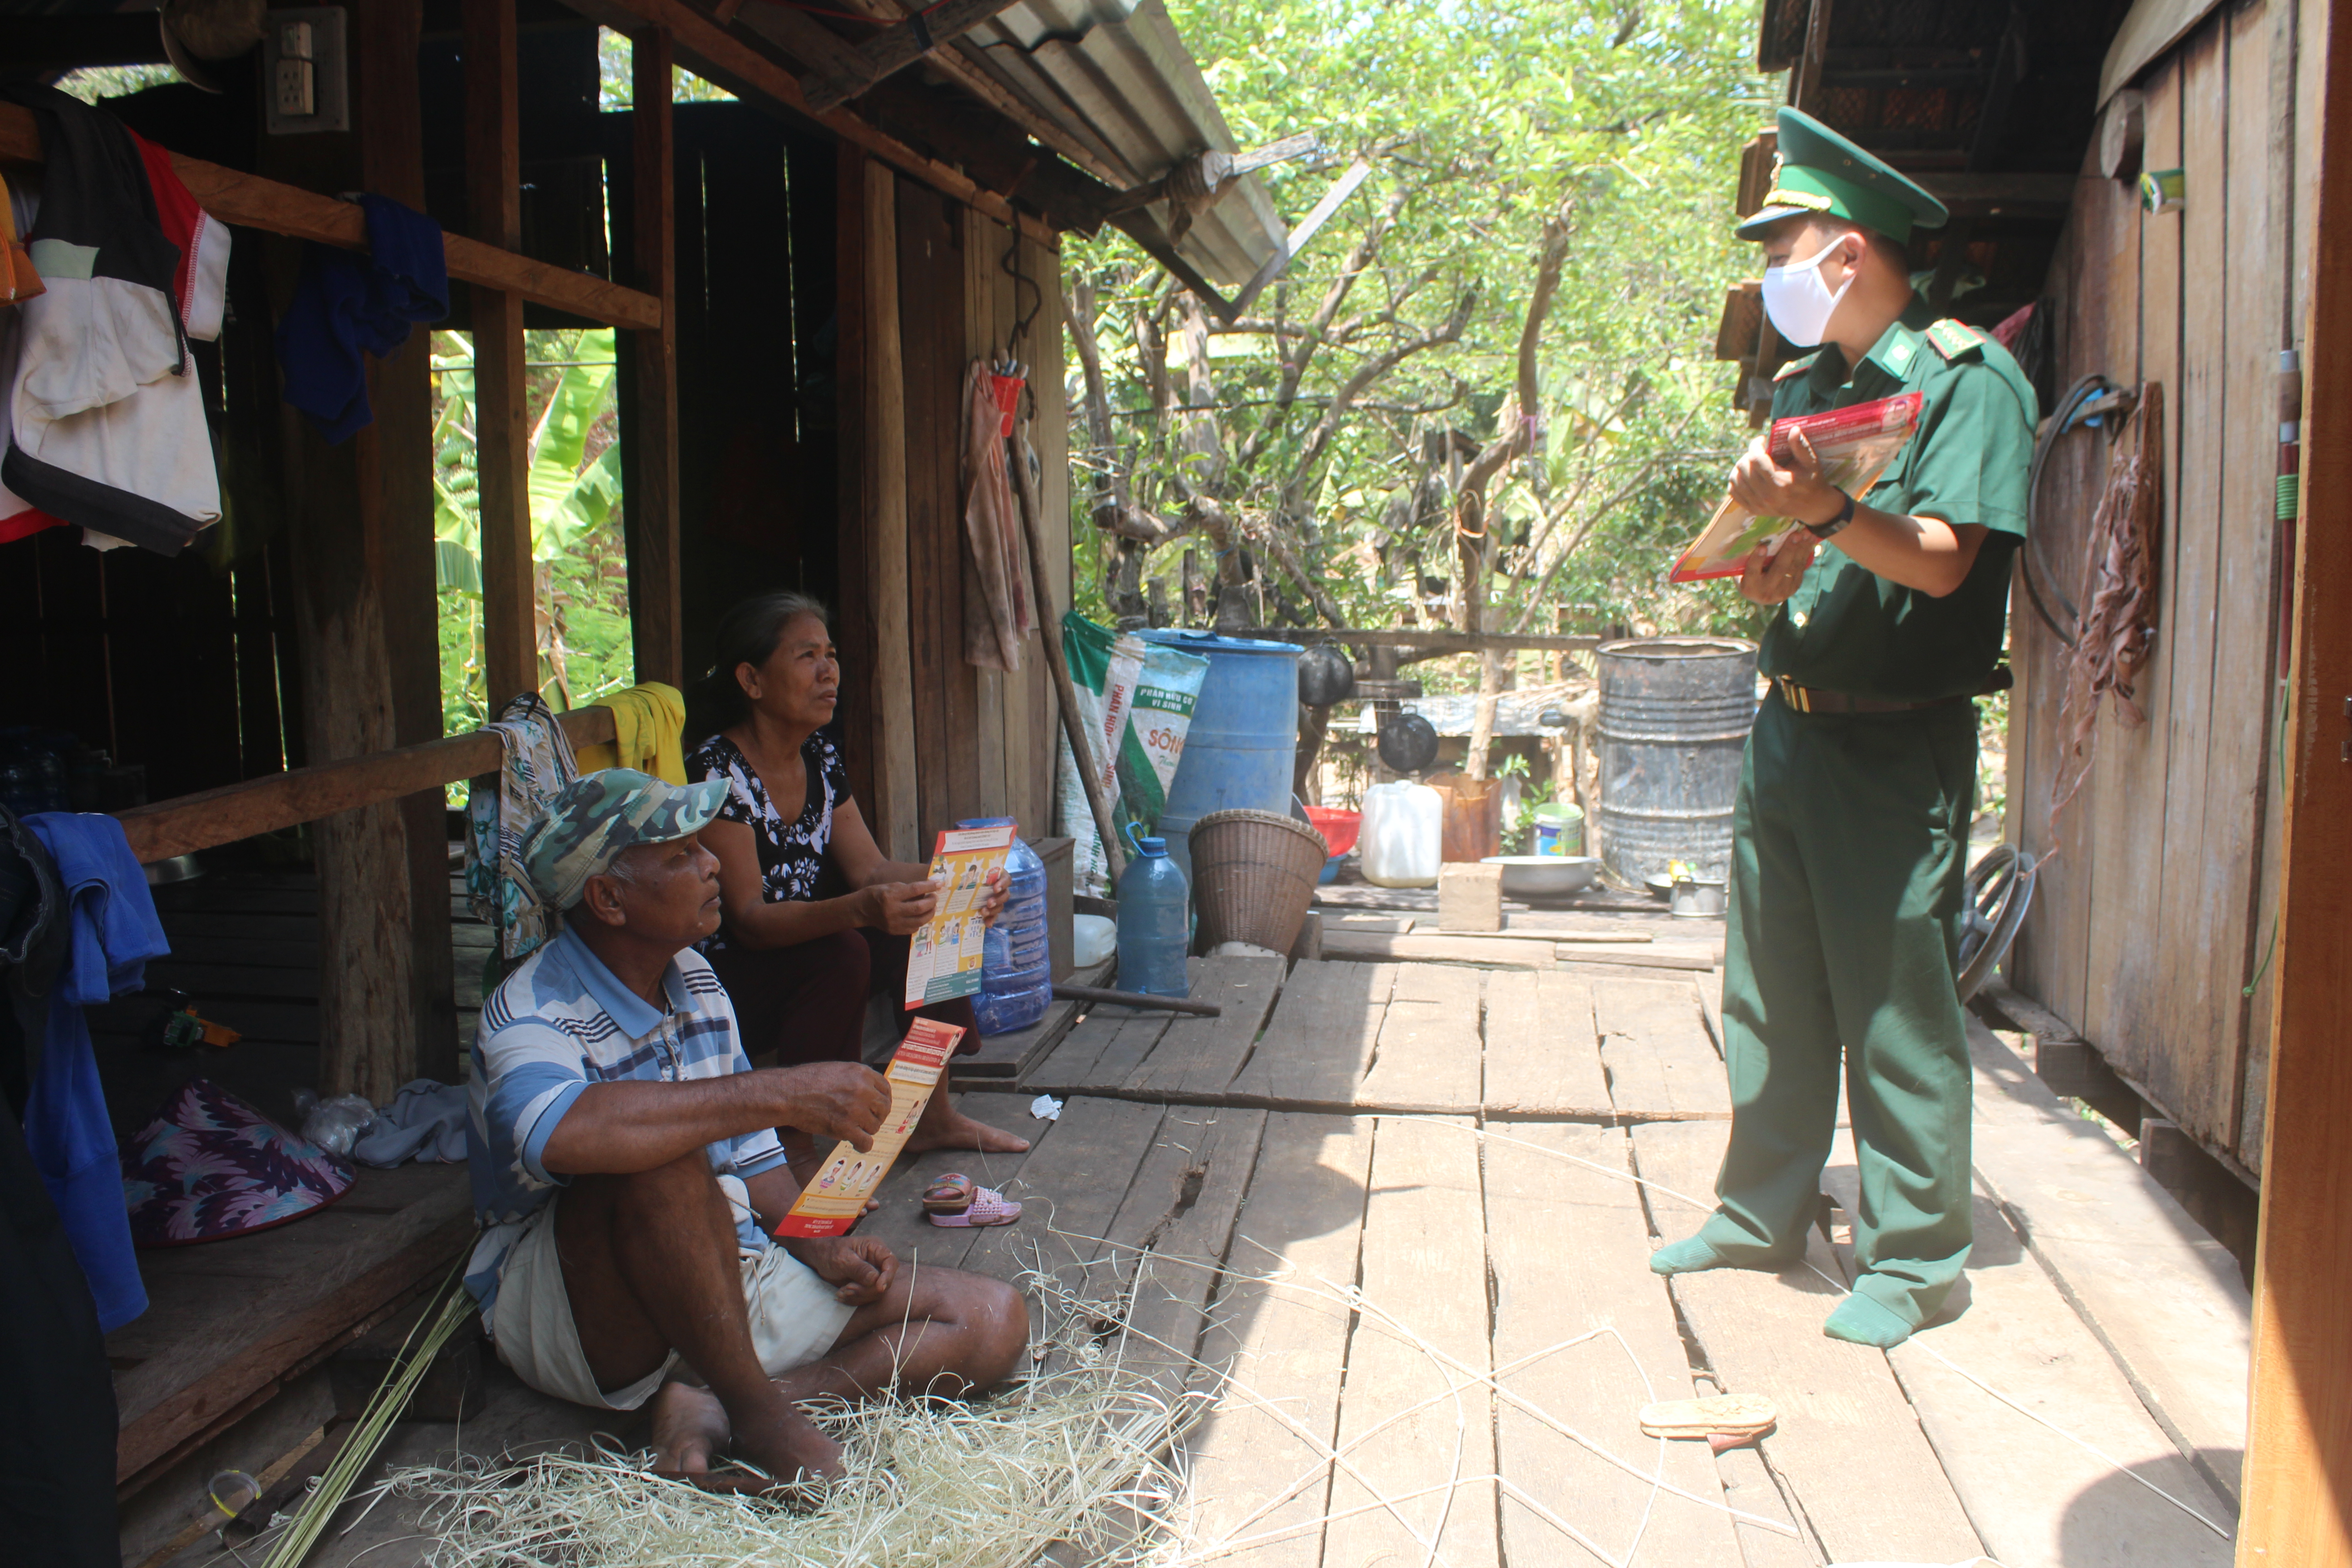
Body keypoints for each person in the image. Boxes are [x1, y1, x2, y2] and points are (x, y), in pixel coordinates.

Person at [1648, 108, 2037, 1350]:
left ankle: (1918, 1262)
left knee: (1893, 1006)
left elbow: (1935, 564)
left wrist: (1817, 511)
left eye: (1788, 246)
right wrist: (1762, 558)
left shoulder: (1969, 383)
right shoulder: (1814, 389)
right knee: (1771, 990)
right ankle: (1761, 1211)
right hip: (1794, 725)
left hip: (1894, 740)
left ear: (1852, 252)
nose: (1772, 275)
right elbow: (1803, 566)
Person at [464, 769, 1028, 1485]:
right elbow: (562, 1134)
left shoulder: (696, 980)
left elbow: (755, 1159)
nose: (711, 866)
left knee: (991, 1319)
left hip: (723, 1271)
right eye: (679, 856)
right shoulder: (529, 1010)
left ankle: (724, 1405)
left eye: (705, 848)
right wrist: (779, 1092)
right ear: (608, 898)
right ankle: (764, 1419)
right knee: (657, 1154)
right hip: (581, 1313)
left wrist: (811, 1240)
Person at [685, 592, 1028, 1168]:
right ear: (751, 680)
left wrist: (962, 884)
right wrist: (860, 909)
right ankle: (794, 1149)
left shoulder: (818, 755)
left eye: (831, 654)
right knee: (844, 950)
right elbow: (747, 921)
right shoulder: (716, 773)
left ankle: (930, 1115)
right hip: (731, 980)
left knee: (922, 920)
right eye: (806, 656)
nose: (829, 672)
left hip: (807, 947)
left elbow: (871, 869)